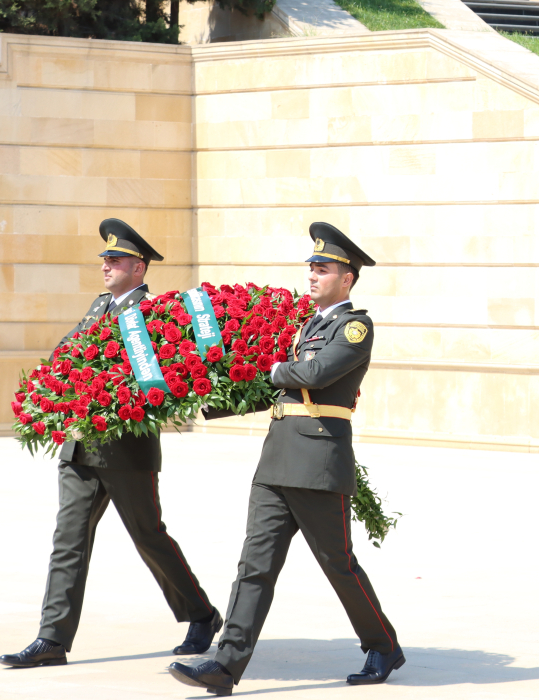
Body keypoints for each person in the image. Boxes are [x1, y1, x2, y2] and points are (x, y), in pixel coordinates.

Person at [168, 223, 401, 696]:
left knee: (338, 564)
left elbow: (314, 374)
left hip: (317, 463)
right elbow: (277, 390)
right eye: (311, 267)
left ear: (348, 278)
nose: (313, 275)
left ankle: (382, 644)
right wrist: (207, 398)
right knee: (254, 566)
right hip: (276, 462)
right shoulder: (306, 326)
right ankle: (225, 666)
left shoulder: (354, 326)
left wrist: (271, 368)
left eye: (323, 268)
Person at [0, 219, 222, 668]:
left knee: (148, 536)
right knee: (69, 539)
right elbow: (68, 355)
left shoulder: (156, 314)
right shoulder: (100, 306)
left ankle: (201, 614)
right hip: (81, 446)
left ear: (139, 268)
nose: (106, 266)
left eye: (115, 260)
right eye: (104, 258)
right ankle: (52, 639)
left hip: (125, 450)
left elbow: (160, 376)